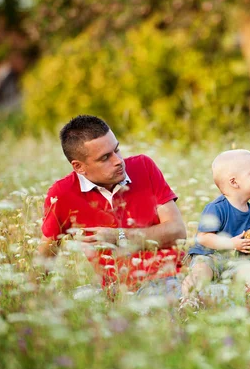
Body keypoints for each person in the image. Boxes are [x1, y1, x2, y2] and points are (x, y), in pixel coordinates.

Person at [39, 115, 186, 292]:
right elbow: (44, 261)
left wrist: (118, 237)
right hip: (126, 291)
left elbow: (177, 232)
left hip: (177, 275)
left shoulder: (143, 166)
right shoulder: (62, 194)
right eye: (105, 158)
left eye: (117, 150)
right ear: (79, 167)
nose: (118, 161)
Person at [181, 149, 250, 308]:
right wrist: (230, 244)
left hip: (238, 263)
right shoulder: (216, 208)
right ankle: (189, 300)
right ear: (234, 182)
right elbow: (203, 237)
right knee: (200, 272)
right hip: (210, 258)